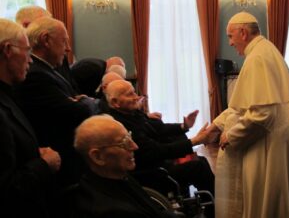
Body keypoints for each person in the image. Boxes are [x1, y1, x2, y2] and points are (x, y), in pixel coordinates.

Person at [205, 12, 289, 218]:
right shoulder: (264, 49)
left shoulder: (257, 57)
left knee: (266, 202)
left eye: (230, 36)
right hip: (280, 133)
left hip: (272, 140)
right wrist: (216, 126)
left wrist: (230, 136)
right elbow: (242, 107)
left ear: (242, 32)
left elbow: (262, 114)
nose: (230, 43)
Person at [104, 80, 215, 216]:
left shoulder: (131, 113)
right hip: (150, 172)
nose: (136, 97)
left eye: (134, 92)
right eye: (130, 94)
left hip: (156, 164)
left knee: (200, 160)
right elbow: (156, 151)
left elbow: (158, 128)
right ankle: (211, 212)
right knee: (200, 168)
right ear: (115, 102)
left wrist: (184, 126)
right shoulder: (121, 124)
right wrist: (195, 141)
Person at [14, 17, 97, 189]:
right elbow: (76, 113)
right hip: (59, 166)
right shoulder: (36, 75)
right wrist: (88, 102)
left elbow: (74, 102)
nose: (68, 48)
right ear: (46, 40)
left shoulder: (47, 70)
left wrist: (78, 102)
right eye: (64, 41)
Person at [56, 115, 178, 218]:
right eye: (124, 143)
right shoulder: (111, 210)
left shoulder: (119, 176)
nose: (135, 146)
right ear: (97, 157)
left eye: (130, 137)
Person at [0, 18, 61, 218]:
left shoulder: (8, 94)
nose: (31, 59)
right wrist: (44, 164)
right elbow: (7, 190)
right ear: (8, 50)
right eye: (27, 51)